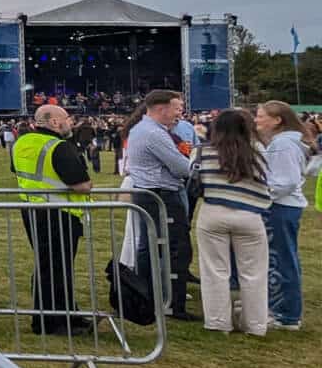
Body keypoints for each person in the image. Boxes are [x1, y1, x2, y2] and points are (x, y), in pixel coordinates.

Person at [12, 105, 93, 335]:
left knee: (49, 265)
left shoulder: (21, 143)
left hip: (32, 209)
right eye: (66, 118)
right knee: (57, 267)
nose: (70, 122)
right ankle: (52, 321)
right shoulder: (59, 147)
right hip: (60, 213)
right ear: (55, 122)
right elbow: (82, 185)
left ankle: (67, 313)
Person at [192, 110, 270, 336]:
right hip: (250, 214)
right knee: (254, 273)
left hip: (213, 212)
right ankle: (255, 324)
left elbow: (193, 178)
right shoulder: (257, 152)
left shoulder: (202, 152)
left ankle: (218, 322)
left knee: (214, 270)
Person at [127, 90, 197, 321]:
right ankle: (168, 302)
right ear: (161, 108)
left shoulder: (145, 129)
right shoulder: (154, 134)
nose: (180, 113)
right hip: (161, 194)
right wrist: (189, 164)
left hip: (151, 192)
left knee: (151, 246)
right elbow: (181, 168)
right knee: (172, 247)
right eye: (177, 108)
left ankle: (149, 296)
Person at [255, 101, 309, 330]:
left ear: (277, 121)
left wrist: (262, 195)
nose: (256, 120)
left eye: (260, 116)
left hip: (280, 206)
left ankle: (286, 314)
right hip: (284, 206)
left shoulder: (283, 145)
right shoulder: (284, 143)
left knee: (280, 260)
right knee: (283, 258)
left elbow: (285, 182)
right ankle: (282, 308)